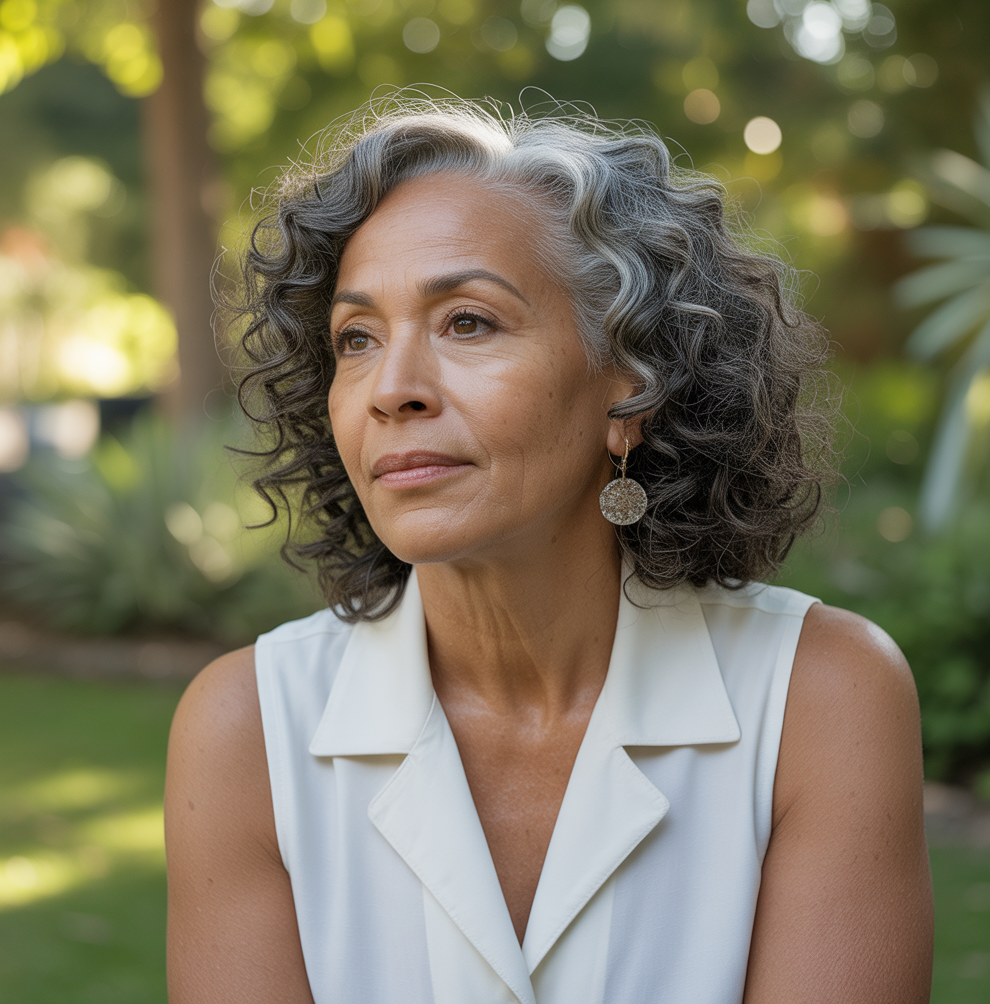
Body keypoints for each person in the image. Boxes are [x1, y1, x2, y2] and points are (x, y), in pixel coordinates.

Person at [164, 98, 933, 1004]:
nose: (391, 389)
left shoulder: (820, 700)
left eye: (467, 322)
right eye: (357, 339)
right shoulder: (247, 729)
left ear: (633, 388)